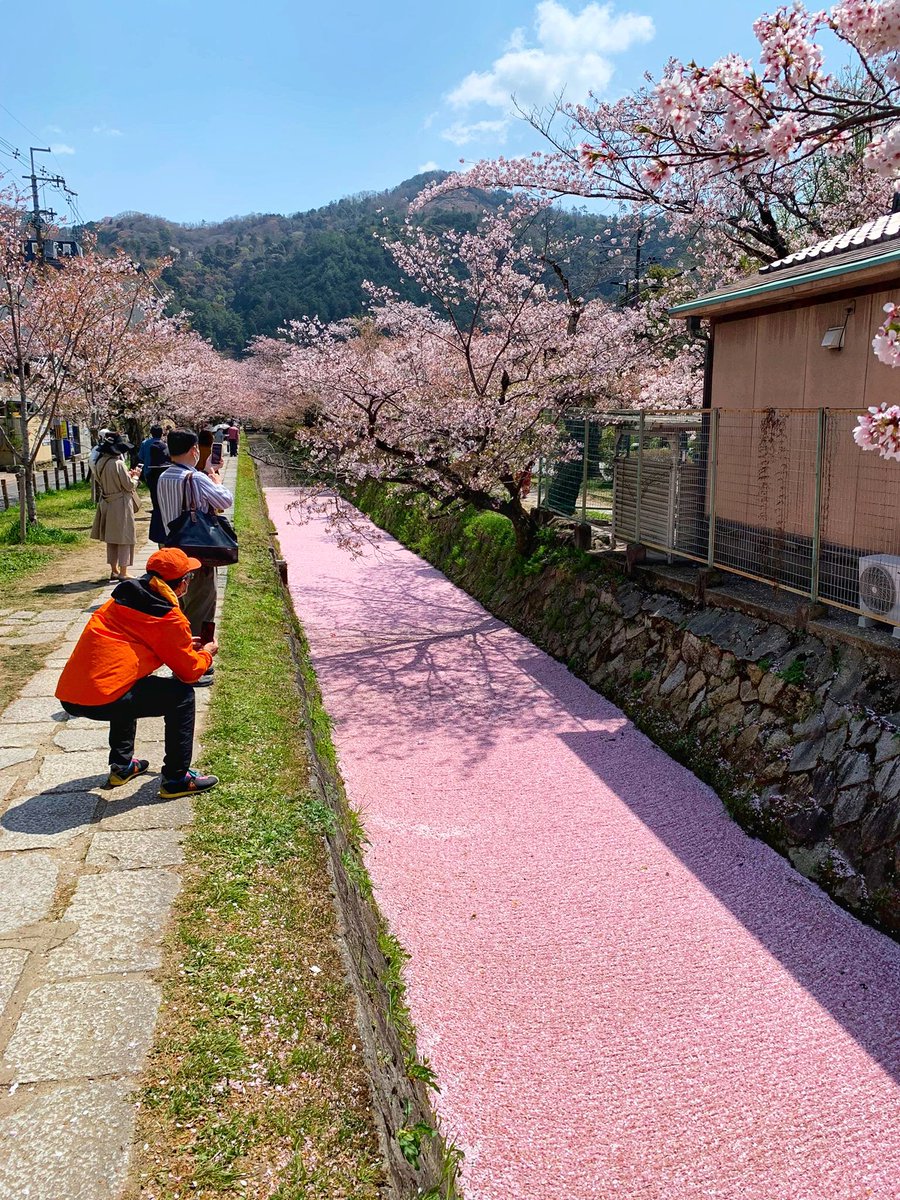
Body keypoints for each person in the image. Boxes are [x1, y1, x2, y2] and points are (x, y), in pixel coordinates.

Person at [55, 547, 219, 797]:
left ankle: (122, 766)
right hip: (101, 698)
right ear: (181, 583)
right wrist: (207, 654)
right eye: (189, 577)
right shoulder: (169, 617)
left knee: (127, 681)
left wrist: (183, 644)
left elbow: (139, 639)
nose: (189, 581)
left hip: (71, 694)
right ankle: (176, 779)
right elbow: (190, 673)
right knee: (182, 697)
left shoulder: (120, 600)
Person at [156, 429, 233, 680]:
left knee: (178, 607)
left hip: (170, 549)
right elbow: (225, 500)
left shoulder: (164, 476)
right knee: (202, 604)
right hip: (196, 552)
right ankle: (199, 664)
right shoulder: (195, 478)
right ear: (194, 450)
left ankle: (179, 659)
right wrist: (216, 480)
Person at [90, 431, 142, 582]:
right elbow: (128, 486)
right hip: (121, 503)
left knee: (111, 538)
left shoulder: (100, 463)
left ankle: (114, 570)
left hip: (107, 502)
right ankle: (124, 571)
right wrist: (135, 477)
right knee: (125, 537)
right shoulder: (118, 464)